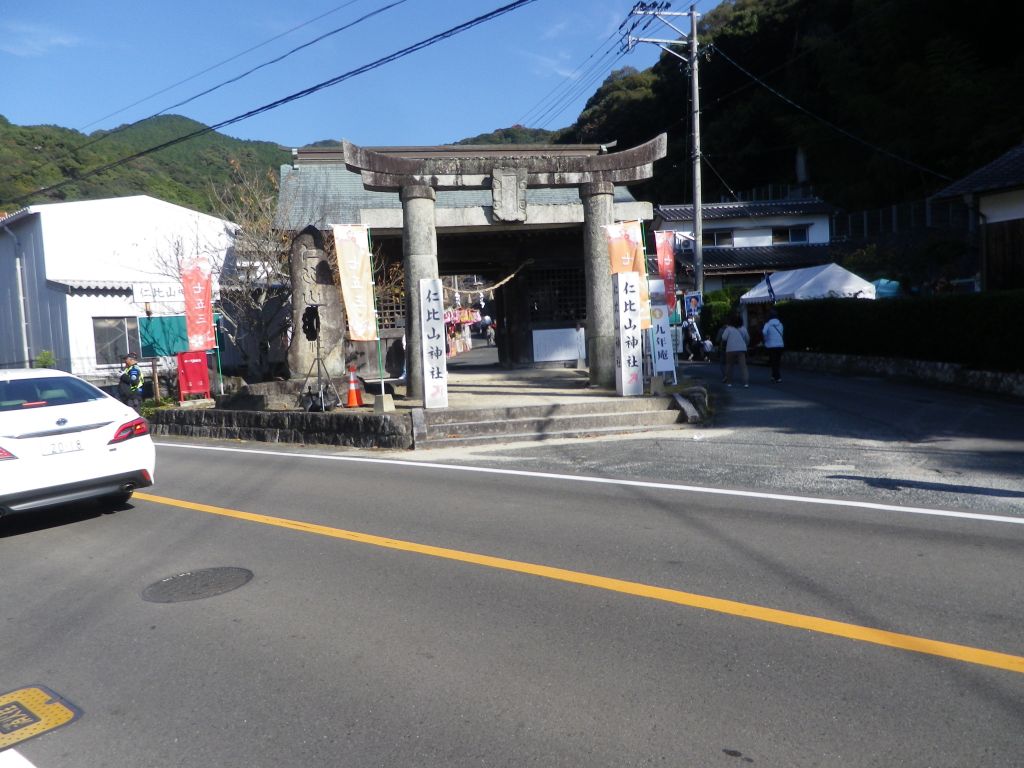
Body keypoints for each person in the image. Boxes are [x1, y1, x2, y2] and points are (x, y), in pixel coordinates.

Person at [720, 315, 750, 388]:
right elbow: (747, 338)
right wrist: (746, 345)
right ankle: (746, 383)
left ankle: (729, 382)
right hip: (741, 349)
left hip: (730, 349)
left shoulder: (728, 329)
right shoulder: (743, 328)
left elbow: (723, 338)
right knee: (743, 366)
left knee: (729, 365)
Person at [762, 309, 785, 383]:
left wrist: (766, 338)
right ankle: (773, 376)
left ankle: (778, 377)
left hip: (771, 345)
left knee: (773, 361)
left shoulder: (768, 324)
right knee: (777, 361)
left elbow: (764, 332)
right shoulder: (780, 324)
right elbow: (782, 333)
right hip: (780, 344)